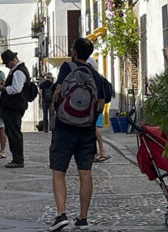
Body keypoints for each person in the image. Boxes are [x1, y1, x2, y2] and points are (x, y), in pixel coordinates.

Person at [49, 38, 105, 231]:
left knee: (59, 171)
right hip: (87, 131)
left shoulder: (67, 68)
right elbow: (101, 103)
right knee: (85, 173)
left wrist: (57, 108)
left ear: (74, 52)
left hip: (64, 127)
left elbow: (57, 91)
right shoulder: (96, 76)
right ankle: (82, 218)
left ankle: (61, 214)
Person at [0, 49, 30, 169]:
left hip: (13, 107)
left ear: (13, 60)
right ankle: (17, 158)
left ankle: (18, 159)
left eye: (7, 63)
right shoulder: (17, 71)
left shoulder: (18, 72)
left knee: (14, 133)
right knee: (12, 132)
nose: (7, 66)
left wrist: (3, 89)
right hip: (13, 106)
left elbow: (16, 88)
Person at [86, 58, 111, 163]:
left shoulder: (93, 78)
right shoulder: (97, 77)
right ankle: (98, 152)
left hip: (92, 107)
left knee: (94, 129)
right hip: (96, 107)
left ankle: (101, 151)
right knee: (93, 129)